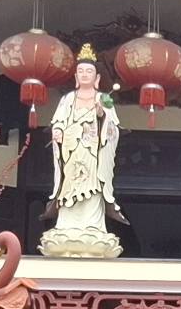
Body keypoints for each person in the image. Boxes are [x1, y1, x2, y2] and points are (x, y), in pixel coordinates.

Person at [41, 43, 126, 258]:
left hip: (92, 153)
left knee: (93, 189)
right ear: (76, 77)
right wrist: (58, 132)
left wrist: (101, 115)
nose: (85, 74)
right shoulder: (67, 99)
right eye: (81, 71)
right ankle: (65, 226)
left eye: (89, 71)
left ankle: (92, 226)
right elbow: (58, 122)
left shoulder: (104, 98)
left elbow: (113, 128)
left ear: (97, 78)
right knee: (69, 190)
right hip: (71, 152)